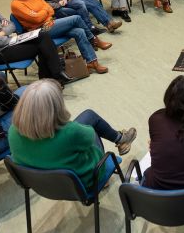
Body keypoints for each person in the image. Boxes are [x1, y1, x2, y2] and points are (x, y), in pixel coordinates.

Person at [8, 80, 137, 190]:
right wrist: (64, 123)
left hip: (42, 185)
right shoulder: (70, 132)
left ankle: (121, 139)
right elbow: (89, 136)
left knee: (88, 116)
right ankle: (120, 139)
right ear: (56, 108)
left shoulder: (13, 131)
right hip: (85, 181)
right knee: (90, 119)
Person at [10, 0, 110, 74]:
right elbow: (36, 18)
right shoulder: (16, 4)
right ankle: (93, 39)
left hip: (50, 23)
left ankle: (93, 63)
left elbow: (50, 10)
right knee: (76, 18)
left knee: (79, 31)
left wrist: (43, 13)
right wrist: (45, 11)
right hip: (40, 32)